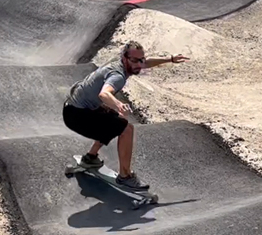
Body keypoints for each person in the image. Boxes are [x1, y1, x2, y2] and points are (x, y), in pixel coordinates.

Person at [63, 41, 189, 190]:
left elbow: (146, 62)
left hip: (77, 107)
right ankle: (125, 176)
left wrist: (170, 59)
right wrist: (118, 104)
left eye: (140, 60)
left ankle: (90, 158)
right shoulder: (118, 75)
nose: (139, 64)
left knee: (116, 120)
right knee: (127, 129)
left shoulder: (124, 63)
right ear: (124, 58)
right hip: (77, 116)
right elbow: (104, 94)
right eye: (135, 61)